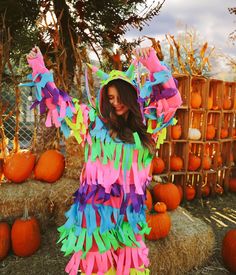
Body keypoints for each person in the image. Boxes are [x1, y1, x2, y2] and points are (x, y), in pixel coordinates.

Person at [25, 45, 182, 275]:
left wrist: (154, 66)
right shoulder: (92, 124)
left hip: (129, 214)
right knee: (98, 266)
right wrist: (38, 66)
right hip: (96, 214)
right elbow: (58, 105)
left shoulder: (148, 127)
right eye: (111, 98)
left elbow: (172, 101)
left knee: (129, 267)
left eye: (121, 97)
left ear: (131, 97)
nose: (116, 103)